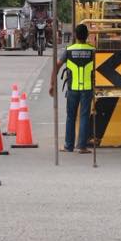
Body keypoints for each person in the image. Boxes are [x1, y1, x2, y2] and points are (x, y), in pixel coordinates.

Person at [49, 23, 96, 153]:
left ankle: (68, 146)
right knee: (84, 116)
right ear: (87, 36)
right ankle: (81, 146)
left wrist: (52, 84)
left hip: (72, 89)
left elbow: (57, 66)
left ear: (75, 35)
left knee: (71, 116)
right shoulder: (92, 51)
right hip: (87, 89)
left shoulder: (69, 50)